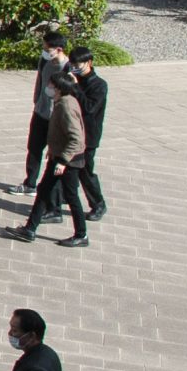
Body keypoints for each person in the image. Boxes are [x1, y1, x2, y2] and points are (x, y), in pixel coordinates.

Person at [8, 81, 90, 246]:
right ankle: (30, 229)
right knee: (44, 191)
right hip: (58, 158)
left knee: (71, 196)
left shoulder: (66, 106)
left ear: (59, 88)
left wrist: (62, 161)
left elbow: (76, 139)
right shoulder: (63, 102)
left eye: (52, 85)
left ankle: (81, 234)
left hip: (66, 162)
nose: (49, 88)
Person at [22, 32, 70, 194]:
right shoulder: (44, 61)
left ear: (59, 49)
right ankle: (30, 183)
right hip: (40, 112)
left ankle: (57, 190)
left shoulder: (67, 68)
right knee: (34, 149)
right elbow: (39, 81)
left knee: (55, 154)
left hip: (56, 118)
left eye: (47, 47)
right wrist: (36, 101)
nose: (44, 50)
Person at [69, 49, 110, 219]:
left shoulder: (99, 85)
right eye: (73, 64)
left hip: (88, 136)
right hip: (72, 131)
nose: (75, 68)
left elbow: (89, 108)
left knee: (85, 171)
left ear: (89, 63)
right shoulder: (74, 78)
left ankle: (98, 204)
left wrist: (75, 87)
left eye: (78, 65)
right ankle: (55, 204)